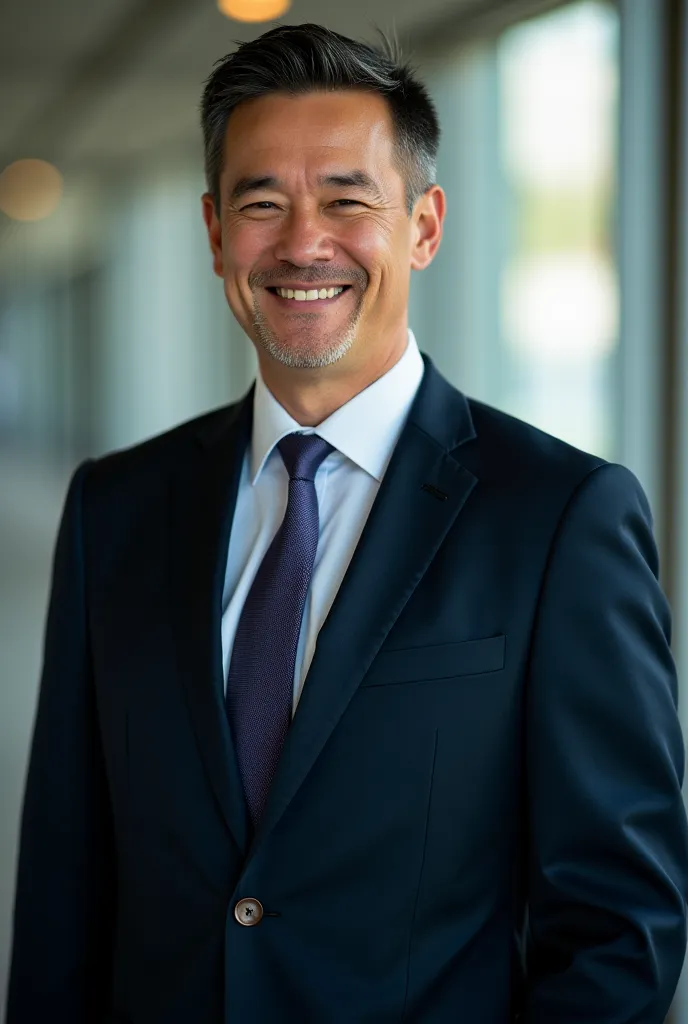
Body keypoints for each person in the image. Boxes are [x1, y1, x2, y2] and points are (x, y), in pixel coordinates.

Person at [6, 22, 688, 1024]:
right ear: (211, 233)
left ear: (424, 225)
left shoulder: (556, 519)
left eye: (345, 199)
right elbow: (65, 886)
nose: (301, 243)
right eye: (261, 203)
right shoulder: (114, 508)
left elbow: (618, 925)